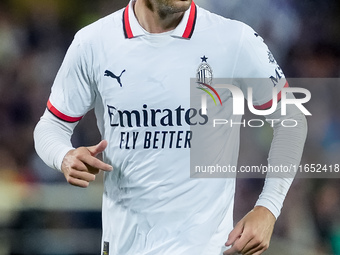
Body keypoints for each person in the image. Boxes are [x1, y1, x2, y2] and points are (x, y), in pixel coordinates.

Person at [34, 0, 307, 254]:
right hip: (124, 247)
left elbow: (291, 120)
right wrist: (64, 156)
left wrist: (268, 208)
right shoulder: (93, 43)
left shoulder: (234, 40)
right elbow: (51, 125)